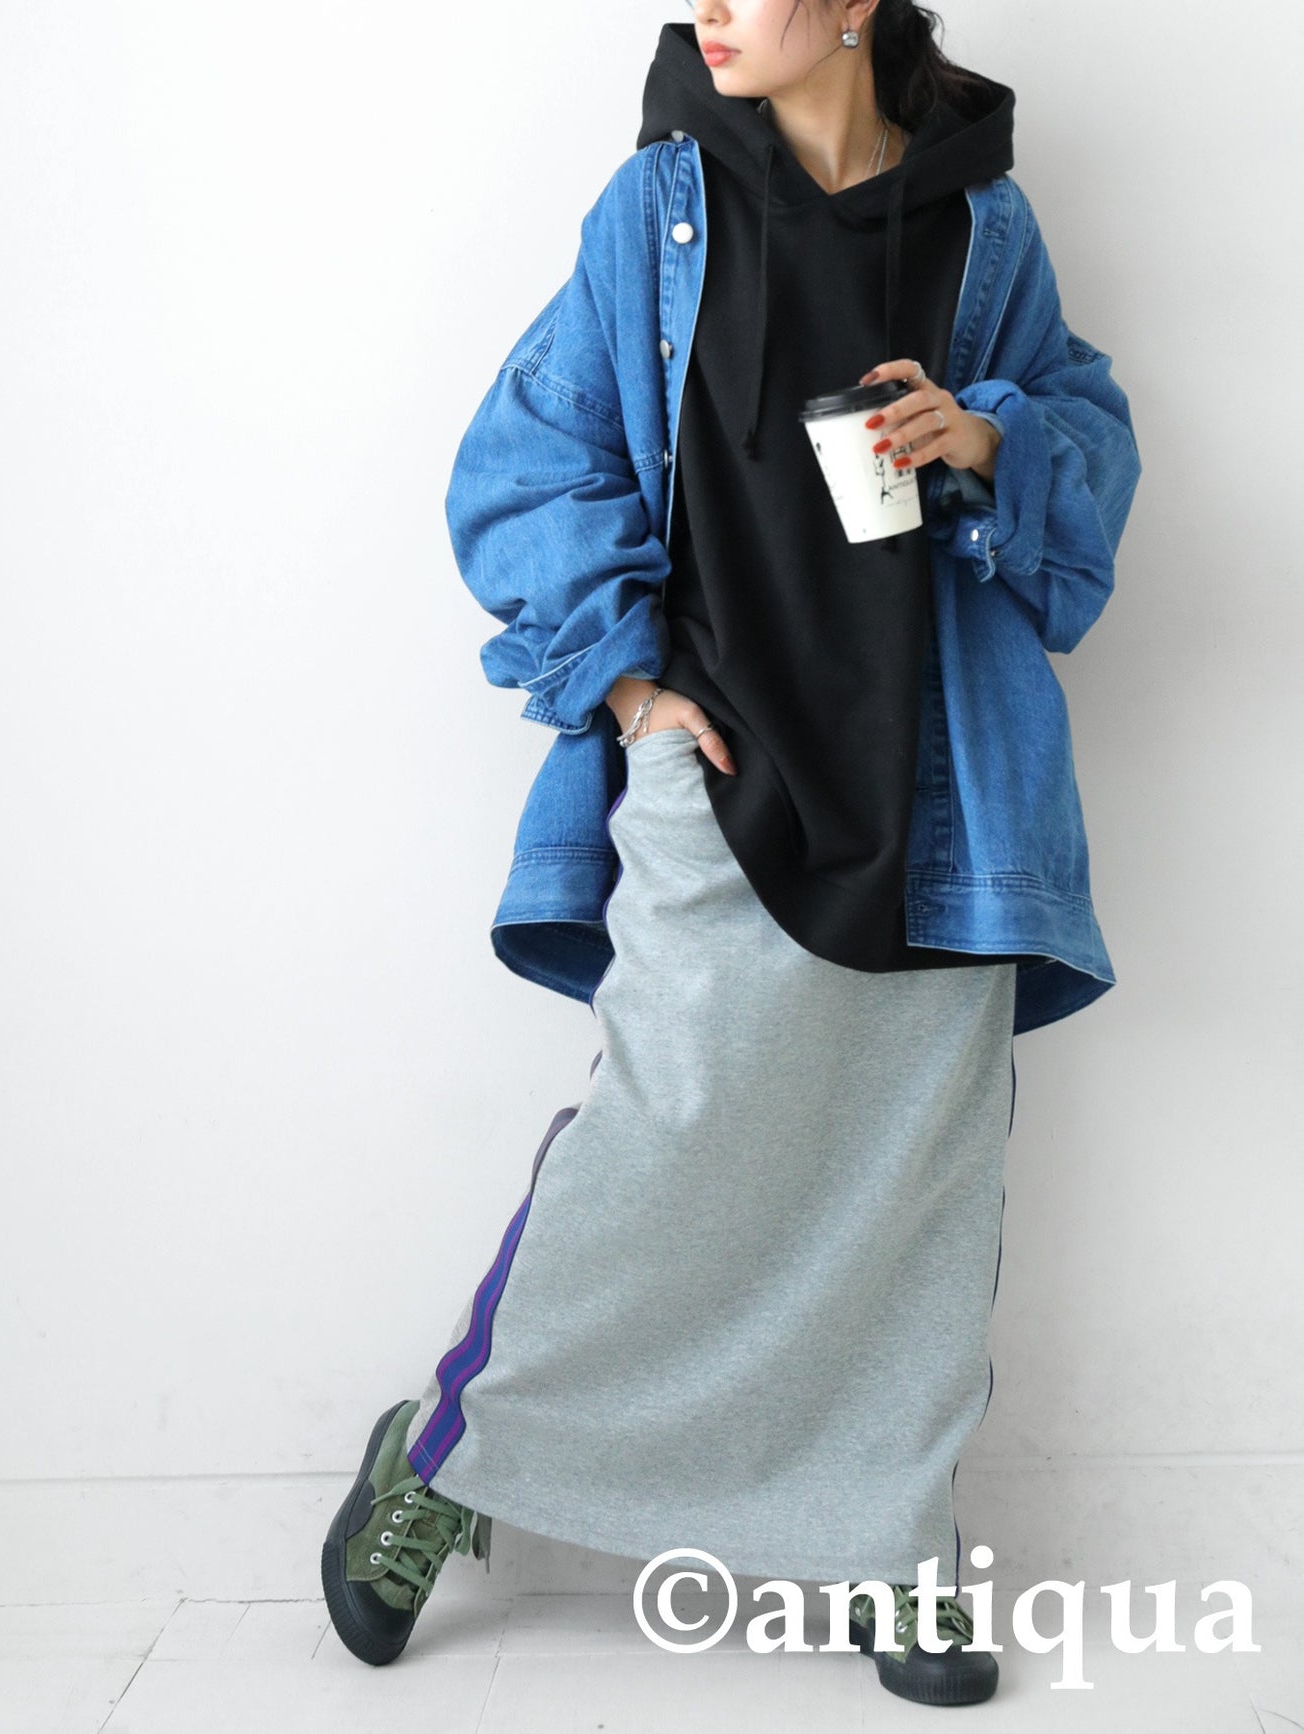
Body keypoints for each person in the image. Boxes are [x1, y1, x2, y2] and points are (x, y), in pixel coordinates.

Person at [321, 0, 1141, 1710]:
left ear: (849, 6)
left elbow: (1084, 428)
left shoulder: (984, 222)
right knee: (661, 1144)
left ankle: (894, 1538)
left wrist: (987, 437)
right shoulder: (659, 208)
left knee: (919, 1184)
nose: (706, 6)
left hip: (941, 778)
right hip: (717, 751)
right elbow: (526, 457)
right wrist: (625, 687)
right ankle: (444, 1455)